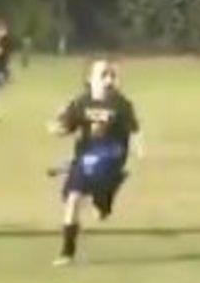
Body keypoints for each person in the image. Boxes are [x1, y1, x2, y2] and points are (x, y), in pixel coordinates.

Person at [47, 59, 144, 267]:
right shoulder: (80, 103)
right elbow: (66, 128)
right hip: (85, 156)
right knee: (73, 200)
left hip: (111, 156)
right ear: (90, 79)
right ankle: (67, 252)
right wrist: (57, 128)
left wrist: (138, 148)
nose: (108, 79)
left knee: (95, 191)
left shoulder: (121, 104)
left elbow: (134, 130)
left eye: (111, 75)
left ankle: (108, 188)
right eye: (103, 75)